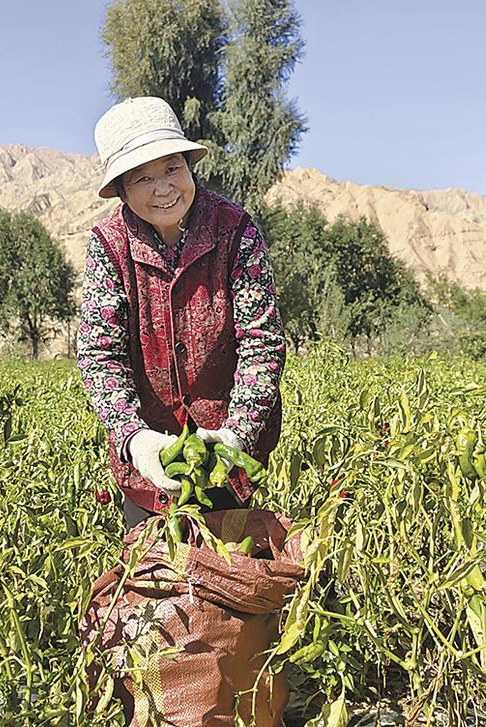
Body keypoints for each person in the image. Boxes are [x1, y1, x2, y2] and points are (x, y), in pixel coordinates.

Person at [76, 96, 285, 528]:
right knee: (155, 561)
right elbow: (100, 353)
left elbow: (261, 341)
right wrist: (135, 439)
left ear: (189, 166)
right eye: (142, 177)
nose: (163, 188)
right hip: (149, 464)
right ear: (121, 190)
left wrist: (235, 433)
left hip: (228, 454)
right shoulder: (110, 245)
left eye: (172, 168)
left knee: (231, 559)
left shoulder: (234, 232)